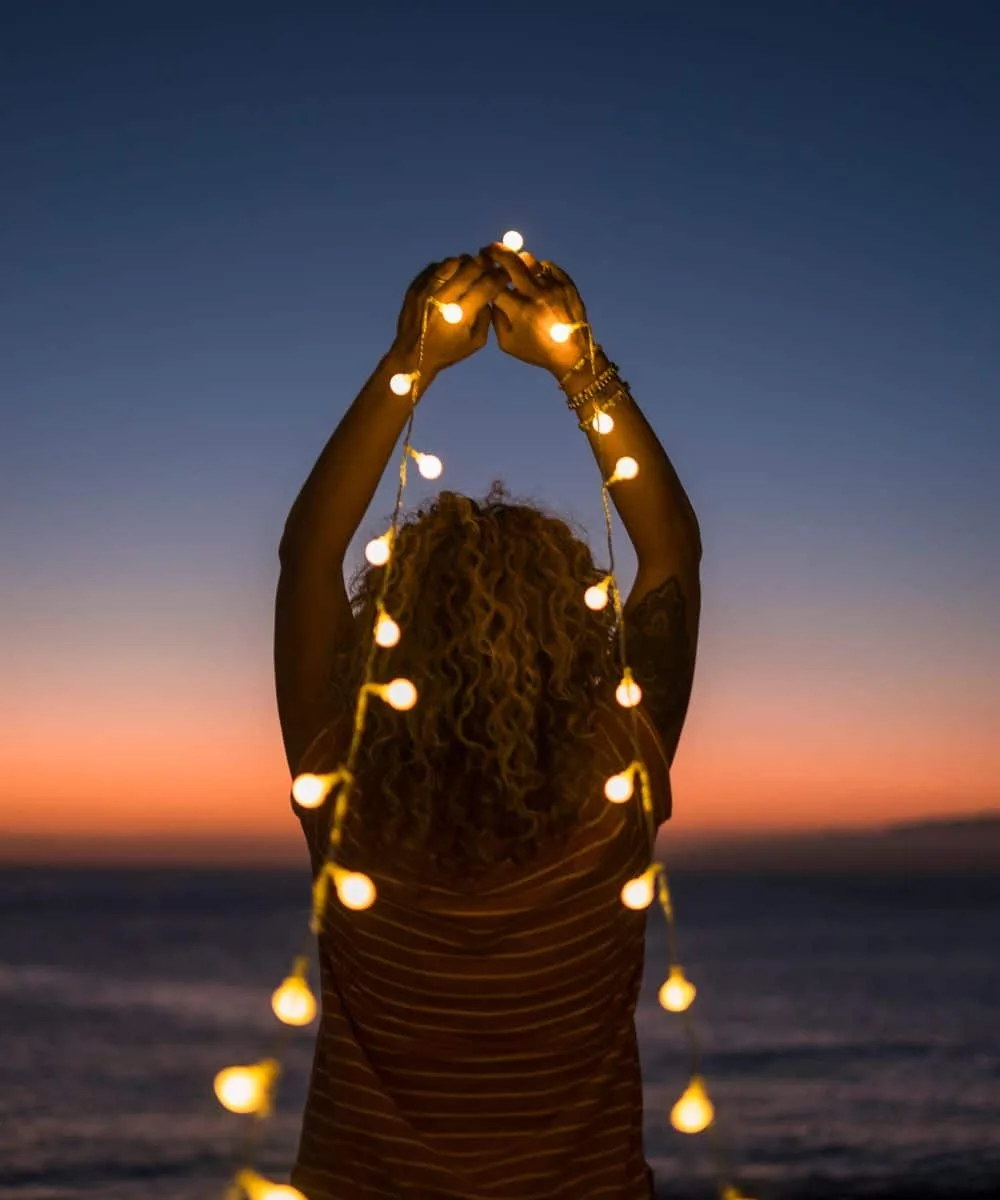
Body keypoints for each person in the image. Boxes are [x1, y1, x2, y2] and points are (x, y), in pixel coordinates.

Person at [274, 244, 702, 1200]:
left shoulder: (343, 788)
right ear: (576, 638)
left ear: (394, 638)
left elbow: (308, 557)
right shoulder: (618, 777)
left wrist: (410, 361)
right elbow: (671, 554)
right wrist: (581, 365)